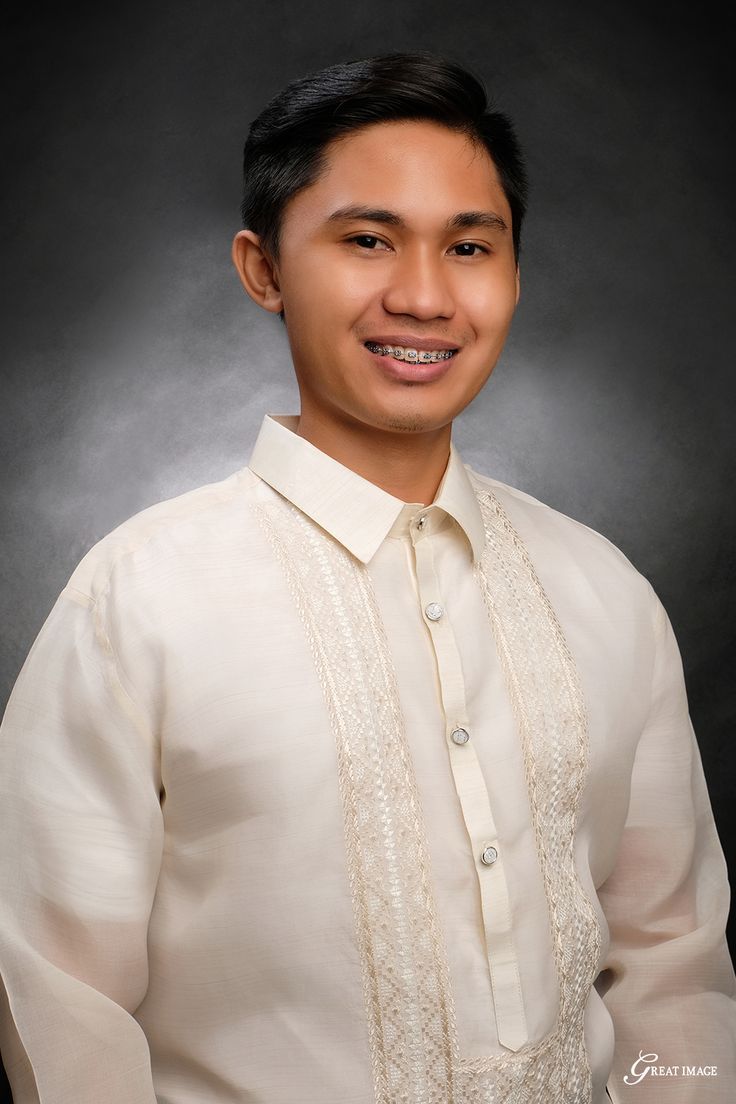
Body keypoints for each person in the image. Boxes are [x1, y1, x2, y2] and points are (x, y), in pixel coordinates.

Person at [0, 52, 733, 1104]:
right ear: (263, 269)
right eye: (367, 240)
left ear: (515, 274)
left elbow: (673, 962)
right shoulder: (138, 602)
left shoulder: (604, 593)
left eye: (470, 245)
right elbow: (57, 996)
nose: (425, 296)